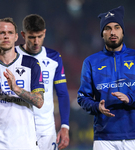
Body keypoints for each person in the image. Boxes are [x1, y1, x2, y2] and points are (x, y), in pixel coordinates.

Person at [0, 17, 45, 150]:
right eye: (1, 33)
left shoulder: (31, 64)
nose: (6, 36)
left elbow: (39, 102)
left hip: (25, 144)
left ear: (16, 37)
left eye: (10, 33)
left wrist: (16, 88)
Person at [77, 6, 135, 150]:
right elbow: (82, 97)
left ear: (123, 31)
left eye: (116, 27)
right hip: (104, 138)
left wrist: (130, 98)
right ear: (102, 33)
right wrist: (97, 107)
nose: (112, 32)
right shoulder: (91, 62)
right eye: (108, 28)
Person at [16, 14, 70, 150]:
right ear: (23, 34)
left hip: (46, 130)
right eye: (32, 37)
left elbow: (62, 93)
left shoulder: (54, 57)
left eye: (39, 36)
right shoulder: (11, 56)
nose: (36, 42)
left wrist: (64, 126)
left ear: (44, 33)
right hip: (18, 129)